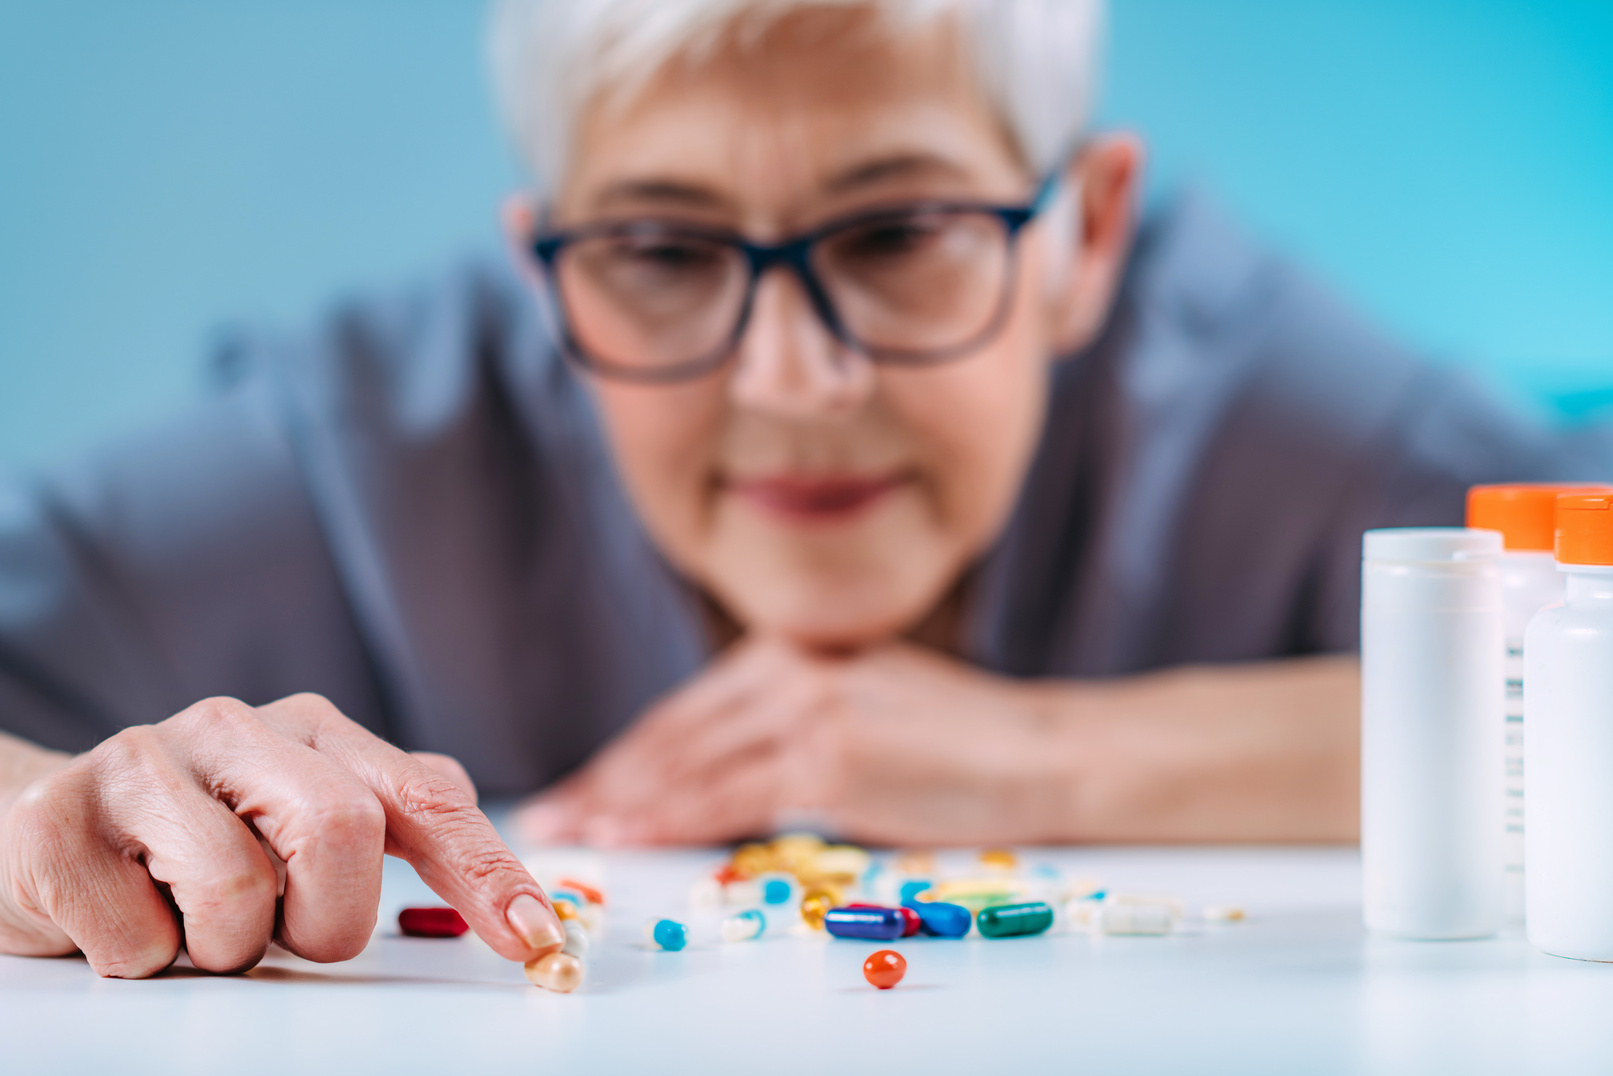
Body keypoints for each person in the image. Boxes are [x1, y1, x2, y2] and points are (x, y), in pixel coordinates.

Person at [1, 0, 1608, 979]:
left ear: (1089, 235)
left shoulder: (1285, 414)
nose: (790, 379)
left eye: (900, 232)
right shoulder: (354, 443)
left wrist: (1045, 757)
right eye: (656, 252)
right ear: (542, 278)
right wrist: (35, 824)